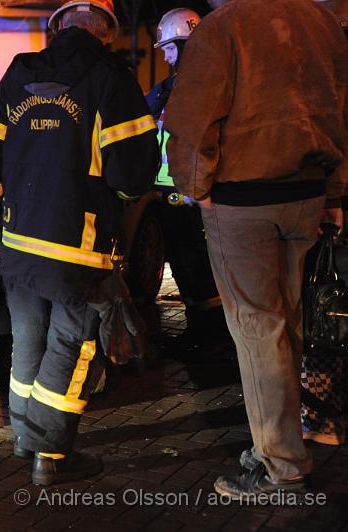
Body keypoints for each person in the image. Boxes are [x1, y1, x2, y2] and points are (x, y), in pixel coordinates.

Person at [0, 0, 159, 486]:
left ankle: (23, 438)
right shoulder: (112, 77)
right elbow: (132, 175)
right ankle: (49, 456)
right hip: (79, 248)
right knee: (70, 345)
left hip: (18, 246)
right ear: (107, 32)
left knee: (26, 339)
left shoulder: (19, 74)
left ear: (55, 26)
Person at [164, 0, 348, 499]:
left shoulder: (224, 26)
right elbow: (338, 110)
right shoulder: (320, 22)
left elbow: (192, 115)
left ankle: (281, 465)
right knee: (285, 325)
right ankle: (284, 444)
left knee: (257, 329)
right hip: (306, 193)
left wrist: (196, 186)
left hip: (243, 201)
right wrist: (333, 193)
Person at [147, 8, 224, 345]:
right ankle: (201, 333)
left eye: (167, 48)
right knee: (183, 263)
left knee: (200, 266)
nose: (164, 55)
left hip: (194, 194)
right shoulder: (167, 89)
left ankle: (212, 339)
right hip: (171, 191)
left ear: (183, 44)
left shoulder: (201, 87)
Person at [300, 0, 348, 448]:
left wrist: (332, 198)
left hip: (334, 201)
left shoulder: (320, 54)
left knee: (325, 309)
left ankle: (322, 420)